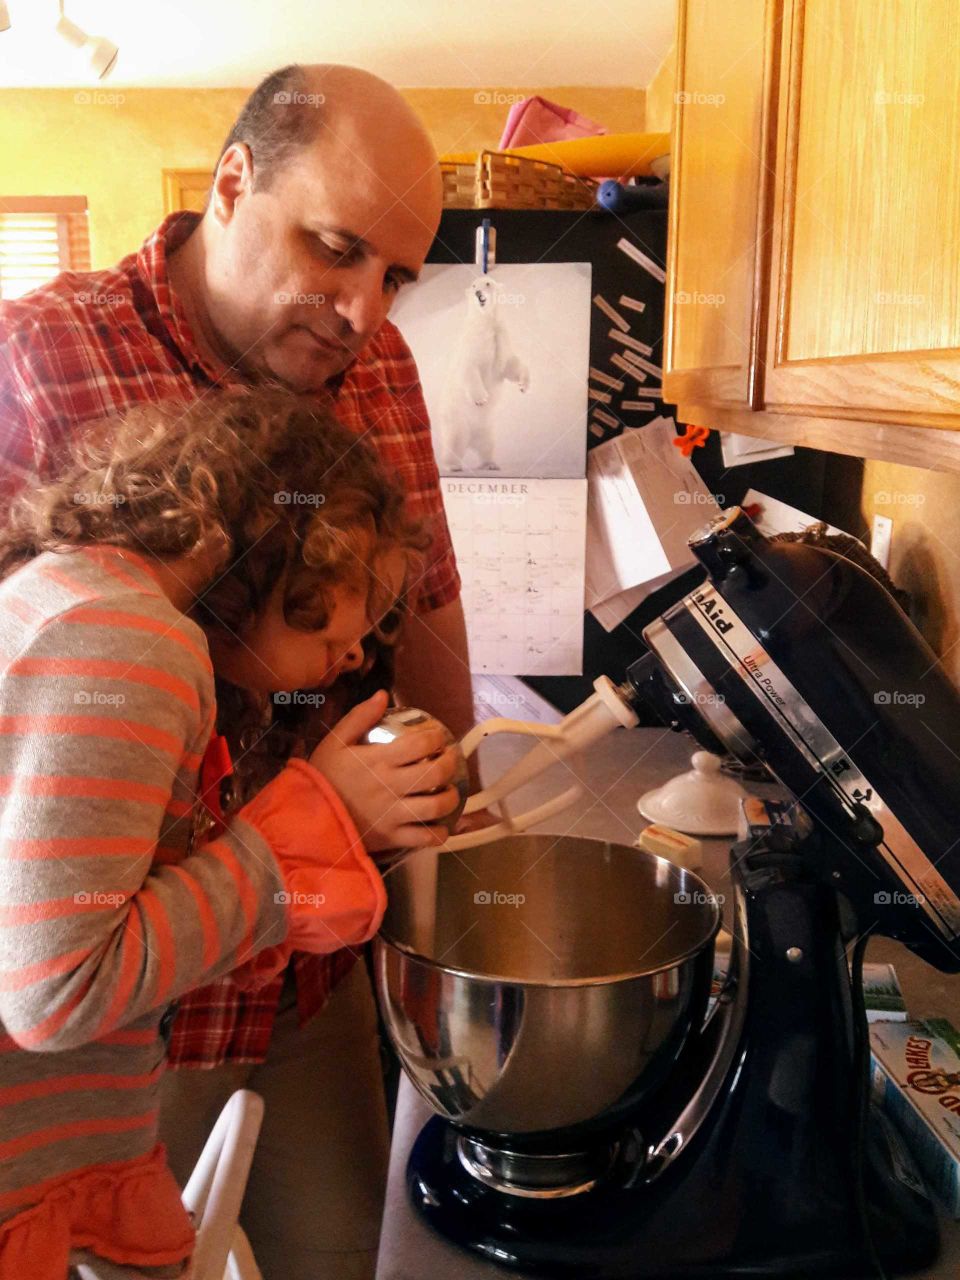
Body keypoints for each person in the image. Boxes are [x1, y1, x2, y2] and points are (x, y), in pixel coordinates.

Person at [0, 63, 475, 1277]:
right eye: (336, 248)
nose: (366, 309)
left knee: (330, 1249)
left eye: (398, 279)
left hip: (308, 967)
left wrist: (451, 823)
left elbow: (425, 612)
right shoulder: (40, 349)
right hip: (108, 1033)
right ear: (230, 181)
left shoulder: (378, 371)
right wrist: (303, 819)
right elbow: (57, 974)